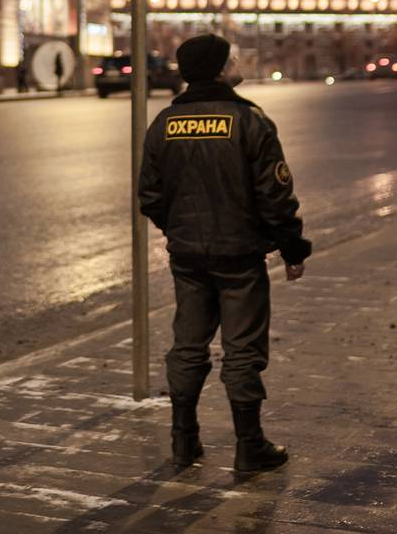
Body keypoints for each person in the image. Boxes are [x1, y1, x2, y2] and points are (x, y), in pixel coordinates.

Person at [138, 33, 311, 475]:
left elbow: (150, 196)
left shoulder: (164, 123)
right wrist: (292, 247)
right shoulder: (249, 120)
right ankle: (249, 446)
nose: (236, 60)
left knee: (188, 343)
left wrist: (181, 230)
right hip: (240, 256)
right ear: (219, 69)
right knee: (243, 349)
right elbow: (275, 195)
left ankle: (183, 441)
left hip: (188, 256)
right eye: (229, 56)